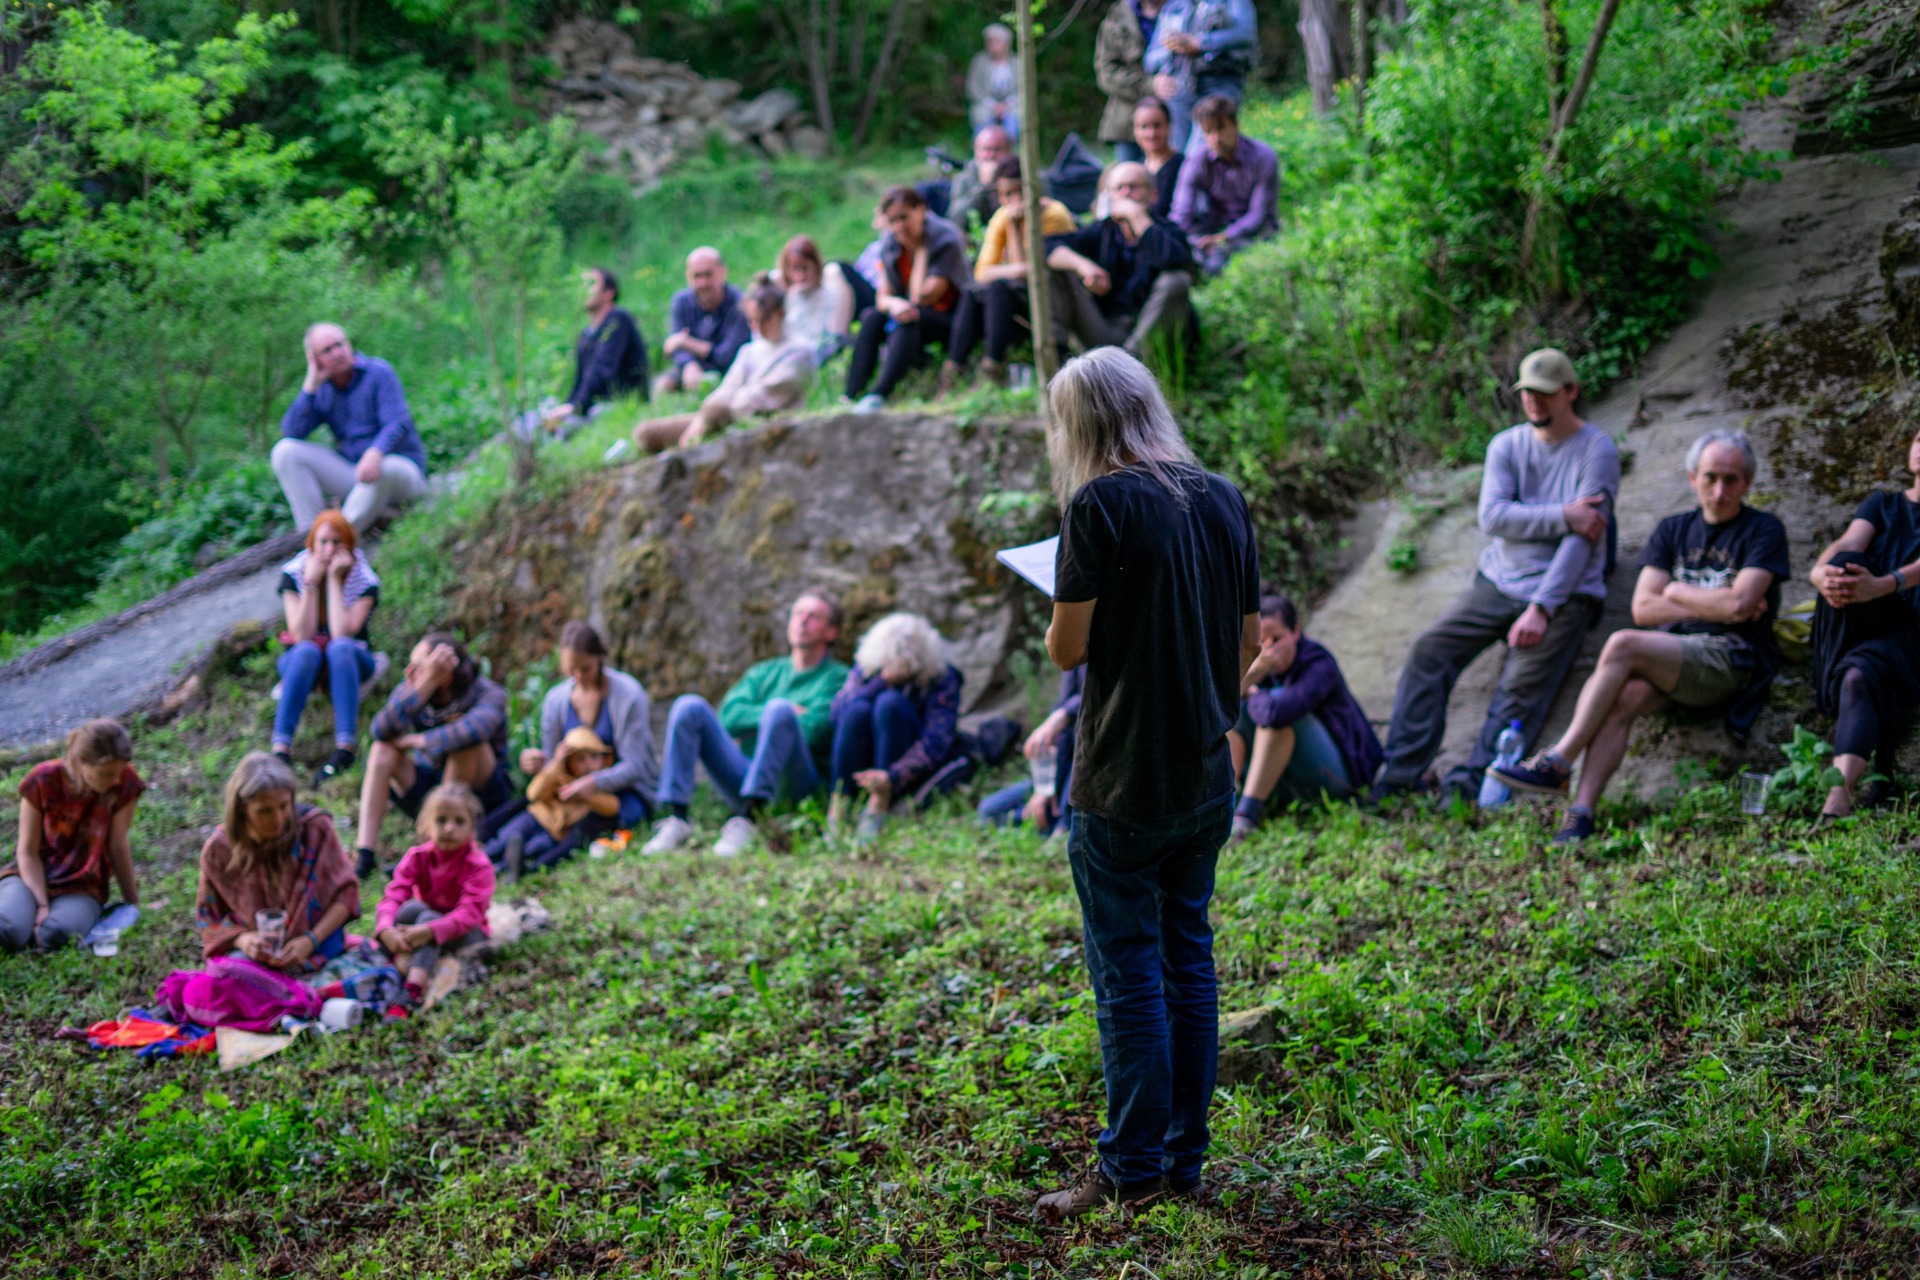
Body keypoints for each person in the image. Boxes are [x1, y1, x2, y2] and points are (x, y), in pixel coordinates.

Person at [1035, 347, 1259, 1221]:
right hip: (1204, 771)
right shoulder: (1224, 496)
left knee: (1128, 977)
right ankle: (1183, 1164)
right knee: (1188, 962)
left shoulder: (1098, 506)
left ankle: (1131, 1172)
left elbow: (1067, 649)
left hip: (1122, 777)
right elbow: (1247, 643)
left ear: (1079, 426)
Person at [1490, 430, 1791, 842]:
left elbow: (1740, 607)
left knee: (1623, 643)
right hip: (1670, 659)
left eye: (1731, 480)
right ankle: (1580, 815)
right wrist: (1714, 603)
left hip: (1731, 657)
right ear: (1693, 478)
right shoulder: (1673, 529)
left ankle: (1559, 759)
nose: (1720, 491)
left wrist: (1677, 591)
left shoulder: (1764, 529)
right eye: (1710, 477)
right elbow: (1644, 608)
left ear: (1747, 483)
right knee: (1627, 696)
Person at [1372, 348, 1621, 803]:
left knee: (1517, 689)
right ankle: (1399, 778)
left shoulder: (1597, 449)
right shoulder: (1506, 445)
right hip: (1499, 581)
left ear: (1571, 392)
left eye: (1545, 393)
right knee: (1429, 651)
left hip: (1564, 594)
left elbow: (1584, 540)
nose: (1534, 402)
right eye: (1527, 392)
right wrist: (1563, 515)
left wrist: (1542, 608)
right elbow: (1492, 516)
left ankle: (1470, 790)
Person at [646, 591, 852, 858]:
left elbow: (815, 730)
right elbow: (728, 717)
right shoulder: (764, 672)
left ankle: (750, 818)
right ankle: (677, 818)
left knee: (779, 711)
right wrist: (775, 715)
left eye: (814, 617)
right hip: (744, 775)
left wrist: (777, 717)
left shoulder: (838, 678)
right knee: (689, 706)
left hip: (796, 785)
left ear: (831, 631)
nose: (803, 621)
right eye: (798, 614)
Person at [1802, 427, 1920, 819]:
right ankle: (1838, 672)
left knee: (1858, 676)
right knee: (1844, 563)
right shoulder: (1883, 504)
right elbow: (1849, 543)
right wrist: (1818, 574)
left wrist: (1884, 585)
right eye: (1919, 440)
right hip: (1868, 627)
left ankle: (1836, 803)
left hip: (1912, 634)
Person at [355, 634, 511, 879]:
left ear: (445, 675)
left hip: (480, 794)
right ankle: (365, 855)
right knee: (381, 750)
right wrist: (425, 684)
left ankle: (433, 852)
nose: (408, 672)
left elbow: (476, 730)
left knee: (468, 745)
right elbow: (380, 730)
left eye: (419, 666)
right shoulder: (415, 686)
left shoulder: (487, 692)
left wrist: (421, 740)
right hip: (429, 784)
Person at [1228, 594, 1382, 839]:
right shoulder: (1259, 664)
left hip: (1339, 780)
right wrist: (1255, 673)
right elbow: (1222, 704)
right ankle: (1224, 801)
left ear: (1296, 632)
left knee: (1276, 705)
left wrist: (1253, 693)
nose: (1269, 650)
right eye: (1261, 641)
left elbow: (1275, 714)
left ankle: (1246, 815)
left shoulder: (1318, 662)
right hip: (1289, 782)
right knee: (1231, 715)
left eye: (1277, 639)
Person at [196, 753, 359, 970]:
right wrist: (243, 940)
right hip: (259, 954)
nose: (278, 819)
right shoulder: (220, 850)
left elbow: (346, 894)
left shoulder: (313, 829)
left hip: (319, 941)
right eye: (265, 811)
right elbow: (210, 917)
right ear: (242, 807)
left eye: (284, 806)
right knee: (228, 972)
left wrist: (310, 940)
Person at [273, 323, 430, 532]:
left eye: (339, 344)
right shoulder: (322, 390)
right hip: (357, 476)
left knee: (385, 466)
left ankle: (336, 538)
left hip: (400, 472)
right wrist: (310, 385)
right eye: (327, 350)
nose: (337, 353)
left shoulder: (379, 372)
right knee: (285, 451)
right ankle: (311, 534)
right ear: (315, 359)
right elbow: (292, 431)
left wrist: (375, 452)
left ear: (348, 344)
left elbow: (397, 422)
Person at [1, 719, 142, 953]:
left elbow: (117, 846)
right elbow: (27, 851)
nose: (116, 780)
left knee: (55, 935)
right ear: (82, 761)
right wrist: (41, 905)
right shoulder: (43, 779)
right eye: (107, 773)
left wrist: (133, 904)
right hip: (28, 877)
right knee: (6, 930)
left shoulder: (125, 783)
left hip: (82, 887)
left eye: (120, 772)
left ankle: (36, 928)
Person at [939, 157, 1077, 392]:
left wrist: (1013, 228)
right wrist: (1012, 233)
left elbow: (1029, 275)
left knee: (999, 287)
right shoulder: (1002, 216)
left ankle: (992, 367)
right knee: (974, 293)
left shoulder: (1053, 214)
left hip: (1049, 303)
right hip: (1013, 298)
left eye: (1019, 192)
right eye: (1006, 194)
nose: (1014, 201)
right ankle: (953, 371)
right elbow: (982, 272)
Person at [827, 612, 966, 845]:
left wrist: (892, 776)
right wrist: (881, 681)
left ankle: (880, 802)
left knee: (889, 704)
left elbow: (937, 740)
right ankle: (840, 802)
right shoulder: (867, 670)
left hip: (905, 771)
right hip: (862, 763)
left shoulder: (942, 677)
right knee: (856, 710)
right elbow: (837, 715)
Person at [634, 275, 816, 452]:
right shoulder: (749, 350)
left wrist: (714, 413)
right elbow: (728, 386)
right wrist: (705, 416)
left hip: (759, 420)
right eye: (753, 321)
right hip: (722, 415)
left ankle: (690, 445)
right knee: (646, 433)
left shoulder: (799, 352)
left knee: (715, 411)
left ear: (780, 314)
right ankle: (692, 435)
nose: (758, 328)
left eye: (764, 320)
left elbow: (761, 398)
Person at [272, 511, 383, 788]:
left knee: (340, 647)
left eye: (337, 542)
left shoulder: (364, 579)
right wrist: (311, 584)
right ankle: (280, 749)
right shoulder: (294, 573)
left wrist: (334, 580)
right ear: (312, 544)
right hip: (304, 660)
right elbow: (300, 635)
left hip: (351, 660)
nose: (329, 550)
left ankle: (345, 747)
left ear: (350, 545)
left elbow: (343, 632)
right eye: (323, 542)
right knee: (306, 651)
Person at [518, 620, 657, 842]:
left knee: (584, 823)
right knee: (534, 813)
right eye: (570, 669)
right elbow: (553, 760)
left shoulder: (629, 696)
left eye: (586, 669)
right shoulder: (556, 700)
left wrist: (594, 783)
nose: (579, 676)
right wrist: (537, 763)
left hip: (624, 792)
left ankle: (536, 854)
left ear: (599, 659)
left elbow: (634, 766)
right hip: (571, 789)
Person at [1047, 162, 1196, 359]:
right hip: (1107, 331)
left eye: (1133, 187)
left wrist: (1138, 218)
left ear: (1153, 195)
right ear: (1110, 196)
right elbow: (1047, 246)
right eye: (1119, 188)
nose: (1126, 193)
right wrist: (1083, 266)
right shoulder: (1101, 231)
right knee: (1055, 267)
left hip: (1154, 337)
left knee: (1176, 280)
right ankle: (1057, 361)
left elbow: (1176, 262)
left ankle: (1131, 363)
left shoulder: (1168, 230)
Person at [844, 187, 973, 414]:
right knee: (872, 317)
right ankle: (850, 396)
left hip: (951, 321)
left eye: (904, 217)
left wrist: (921, 248)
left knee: (909, 319)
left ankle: (879, 394)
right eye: (893, 220)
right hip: (912, 312)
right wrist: (895, 304)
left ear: (921, 210)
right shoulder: (891, 243)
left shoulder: (945, 239)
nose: (899, 226)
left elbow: (921, 297)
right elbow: (882, 297)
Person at [374, 783, 495, 1005]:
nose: (449, 828)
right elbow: (393, 896)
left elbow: (469, 914)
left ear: (472, 828)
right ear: (427, 825)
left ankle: (412, 990)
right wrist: (385, 928)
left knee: (428, 917)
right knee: (410, 909)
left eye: (459, 821)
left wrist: (430, 930)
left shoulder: (479, 865)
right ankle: (384, 958)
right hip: (425, 921)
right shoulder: (417, 857)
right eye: (441, 820)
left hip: (468, 933)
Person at [519, 268, 650, 441]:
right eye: (581, 285)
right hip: (591, 404)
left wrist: (576, 406)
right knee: (528, 421)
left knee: (568, 428)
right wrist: (567, 405)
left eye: (590, 284)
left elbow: (602, 369)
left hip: (617, 403)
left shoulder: (618, 320)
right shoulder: (586, 335)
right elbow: (581, 380)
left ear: (609, 293)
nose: (583, 290)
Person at [485, 727, 624, 873]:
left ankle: (505, 869)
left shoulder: (596, 788)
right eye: (580, 759)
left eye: (594, 757)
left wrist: (588, 795)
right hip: (534, 817)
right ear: (568, 761)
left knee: (533, 849)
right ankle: (480, 859)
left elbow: (612, 806)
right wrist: (555, 764)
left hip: (554, 833)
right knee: (504, 839)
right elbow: (533, 794)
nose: (589, 764)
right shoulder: (557, 776)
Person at [1169, 95, 1278, 277]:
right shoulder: (1197, 161)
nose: (1216, 138)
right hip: (1214, 229)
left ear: (1235, 125)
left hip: (1254, 233)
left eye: (1221, 128)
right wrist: (1173, 238)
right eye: (1208, 132)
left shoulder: (1263, 157)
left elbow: (1257, 215)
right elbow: (1182, 212)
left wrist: (1223, 238)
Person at [977, 666, 1083, 838]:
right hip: (1063, 770)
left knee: (1066, 820)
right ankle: (1055, 826)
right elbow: (1062, 733)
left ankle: (1064, 828)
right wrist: (1045, 787)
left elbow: (1106, 696)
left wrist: (1064, 715)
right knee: (990, 811)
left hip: (1088, 777)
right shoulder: (1075, 658)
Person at [1143, 0, 1256, 148]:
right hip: (1178, 88)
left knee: (1198, 149)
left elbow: (1244, 34)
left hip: (1219, 84)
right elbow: (1149, 59)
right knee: (1176, 151)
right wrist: (1157, 77)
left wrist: (1200, 43)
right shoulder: (1173, 6)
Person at [655, 247, 752, 397]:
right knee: (662, 386)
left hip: (730, 372)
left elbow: (728, 356)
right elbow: (675, 349)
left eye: (708, 275)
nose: (703, 283)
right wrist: (688, 364)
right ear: (688, 277)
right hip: (693, 369)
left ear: (723, 273)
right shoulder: (681, 301)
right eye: (697, 276)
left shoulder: (740, 304)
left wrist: (686, 342)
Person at [773, 236, 864, 365]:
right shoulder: (786, 297)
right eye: (795, 269)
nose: (800, 276)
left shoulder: (831, 292)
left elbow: (835, 338)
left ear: (816, 266)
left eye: (805, 268)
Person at [1096, 0, 1164, 163]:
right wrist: (1150, 85)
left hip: (1177, 119)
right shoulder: (1118, 17)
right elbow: (1106, 73)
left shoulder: (1185, 8)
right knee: (1129, 175)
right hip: (1128, 122)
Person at [947, 126, 1012, 232]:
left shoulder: (1018, 174)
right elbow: (956, 219)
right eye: (986, 149)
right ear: (976, 151)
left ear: (1008, 151)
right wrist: (983, 185)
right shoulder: (964, 179)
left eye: (997, 149)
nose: (990, 155)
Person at [1132, 97, 1185, 219]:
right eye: (1144, 127)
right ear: (1135, 130)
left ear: (1169, 126)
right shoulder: (1136, 168)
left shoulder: (1183, 166)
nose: (1151, 134)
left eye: (1157, 126)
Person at [967, 24, 1021, 138]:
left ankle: (1008, 146)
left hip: (1012, 105)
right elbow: (973, 88)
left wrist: (1006, 105)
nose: (991, 45)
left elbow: (1022, 89)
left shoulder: (1017, 62)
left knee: (1014, 120)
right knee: (981, 117)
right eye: (989, 42)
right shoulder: (979, 61)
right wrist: (993, 105)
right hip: (985, 104)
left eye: (996, 42)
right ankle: (983, 146)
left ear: (1006, 43)